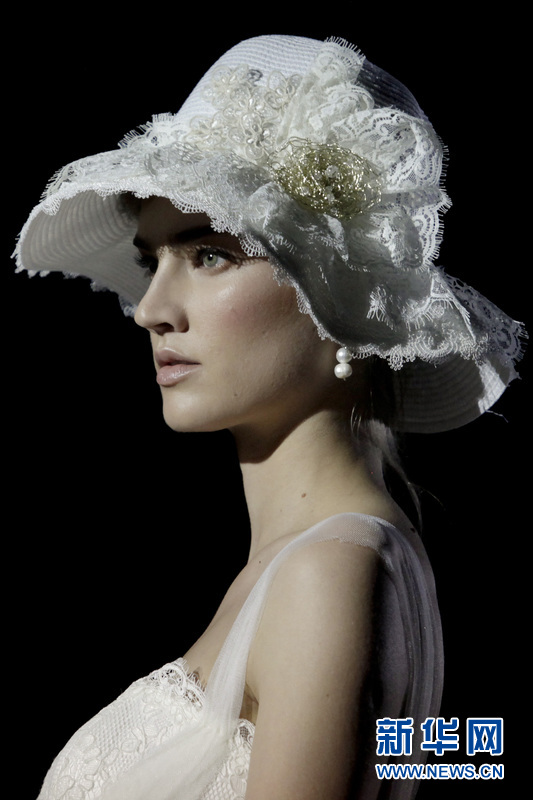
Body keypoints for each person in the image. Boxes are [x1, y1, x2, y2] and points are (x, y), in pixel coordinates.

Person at [14, 34, 524, 800]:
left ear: (338, 299)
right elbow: (433, 761)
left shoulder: (325, 573)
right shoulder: (343, 561)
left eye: (210, 254)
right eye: (153, 261)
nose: (150, 310)